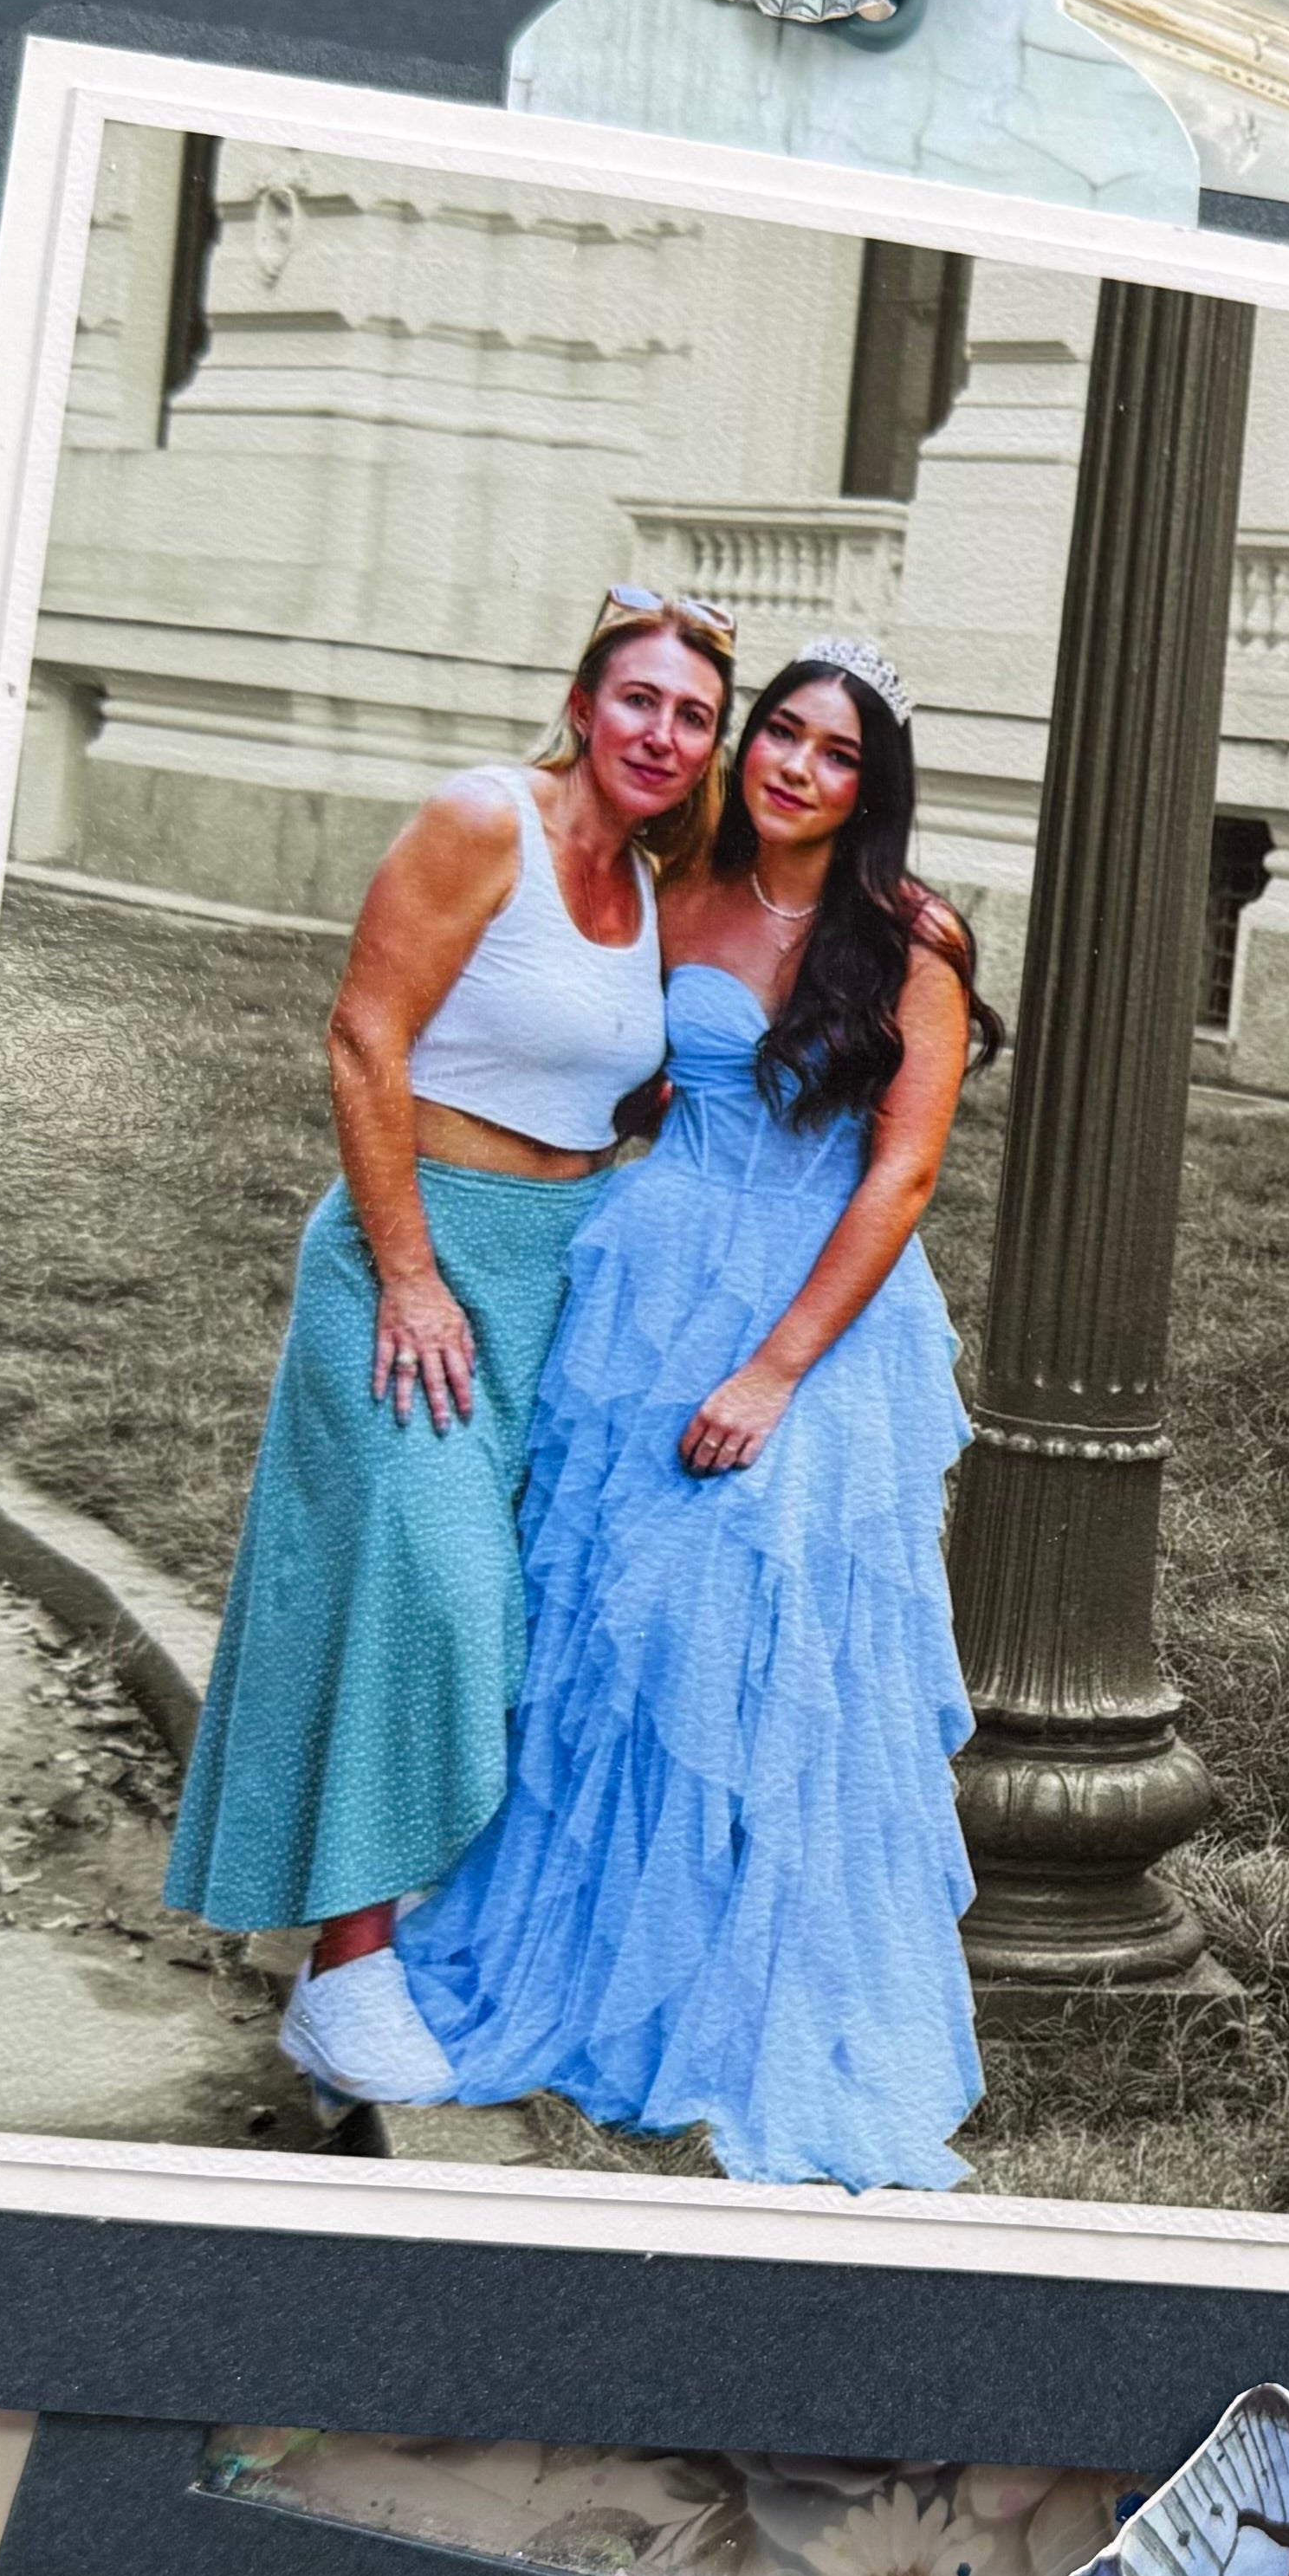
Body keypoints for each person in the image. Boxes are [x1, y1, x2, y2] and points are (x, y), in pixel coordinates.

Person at [398, 636, 1004, 2186]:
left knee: (762, 1636)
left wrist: (774, 1370)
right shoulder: (688, 889)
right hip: (652, 1282)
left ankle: (745, 1993)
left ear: (873, 787)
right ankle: (599, 1953)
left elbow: (903, 1175)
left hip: (814, 1317)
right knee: (613, 1625)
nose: (797, 766)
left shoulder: (911, 938)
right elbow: (623, 1068)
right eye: (782, 733)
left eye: (838, 752)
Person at [163, 593, 735, 2104]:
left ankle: (415, 1929)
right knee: (434, 1592)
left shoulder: (654, 881)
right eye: (639, 701)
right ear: (584, 703)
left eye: (692, 716)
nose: (662, 734)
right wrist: (410, 1277)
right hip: (413, 1256)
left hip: (560, 1274)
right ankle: (346, 1973)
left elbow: (618, 1090)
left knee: (513, 1606)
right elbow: (365, 1036)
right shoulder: (485, 820)